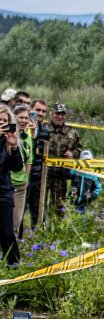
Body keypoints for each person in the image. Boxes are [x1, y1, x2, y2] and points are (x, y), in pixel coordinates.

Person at [47, 103, 82, 216]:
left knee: (59, 207)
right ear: (52, 114)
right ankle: (37, 229)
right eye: (57, 113)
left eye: (62, 114)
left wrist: (72, 154)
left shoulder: (72, 132)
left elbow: (79, 148)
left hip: (60, 175)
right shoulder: (43, 129)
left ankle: (56, 231)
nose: (60, 117)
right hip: (43, 174)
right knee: (39, 204)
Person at [23, 99, 49, 232]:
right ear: (31, 109)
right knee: (20, 210)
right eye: (38, 110)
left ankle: (37, 239)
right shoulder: (22, 127)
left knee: (37, 209)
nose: (40, 113)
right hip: (22, 175)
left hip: (38, 175)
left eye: (44, 111)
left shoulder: (45, 131)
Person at [0, 117, 23, 266]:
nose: (2, 124)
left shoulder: (8, 142)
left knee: (7, 233)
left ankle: (14, 266)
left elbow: (17, 167)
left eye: (4, 121)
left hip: (4, 193)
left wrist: (14, 148)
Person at [8, 107, 31, 236]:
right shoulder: (7, 135)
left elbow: (29, 160)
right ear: (14, 118)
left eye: (26, 118)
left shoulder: (27, 137)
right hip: (7, 183)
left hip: (21, 186)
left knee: (15, 225)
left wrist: (26, 180)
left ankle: (12, 254)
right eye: (21, 117)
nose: (23, 120)